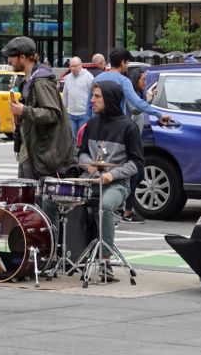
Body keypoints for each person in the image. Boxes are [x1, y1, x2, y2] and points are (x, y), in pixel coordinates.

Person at [2, 36, 75, 246]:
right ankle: (32, 249)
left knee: (37, 204)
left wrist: (24, 110)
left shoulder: (41, 80)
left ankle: (44, 250)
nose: (9, 62)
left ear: (23, 57)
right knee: (27, 202)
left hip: (43, 154)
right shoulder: (30, 79)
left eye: (11, 57)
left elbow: (52, 113)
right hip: (32, 151)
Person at [78, 80, 144, 270]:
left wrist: (113, 174)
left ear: (110, 99)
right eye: (93, 96)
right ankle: (60, 253)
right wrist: (88, 164)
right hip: (90, 180)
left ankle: (105, 258)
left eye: (97, 96)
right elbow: (80, 153)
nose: (92, 100)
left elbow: (137, 163)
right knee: (57, 198)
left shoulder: (129, 127)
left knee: (105, 205)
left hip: (118, 184)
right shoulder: (91, 123)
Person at [86, 47, 171, 126]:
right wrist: (158, 115)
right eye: (127, 63)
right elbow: (138, 103)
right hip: (116, 127)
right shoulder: (124, 81)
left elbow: (89, 106)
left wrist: (89, 125)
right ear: (122, 63)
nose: (127, 66)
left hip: (97, 126)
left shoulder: (96, 79)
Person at [121, 68, 151, 224]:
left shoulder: (140, 94)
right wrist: (148, 101)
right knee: (135, 175)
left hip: (138, 140)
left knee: (140, 176)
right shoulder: (131, 94)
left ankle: (125, 208)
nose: (145, 83)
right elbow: (135, 110)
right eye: (143, 80)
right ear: (135, 80)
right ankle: (126, 211)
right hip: (131, 142)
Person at [62, 56, 93, 142]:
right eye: (71, 66)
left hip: (84, 114)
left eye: (75, 66)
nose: (73, 68)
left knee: (82, 138)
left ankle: (81, 154)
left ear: (81, 65)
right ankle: (74, 154)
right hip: (71, 113)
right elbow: (65, 95)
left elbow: (93, 94)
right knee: (72, 138)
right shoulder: (68, 78)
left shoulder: (88, 77)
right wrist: (63, 110)